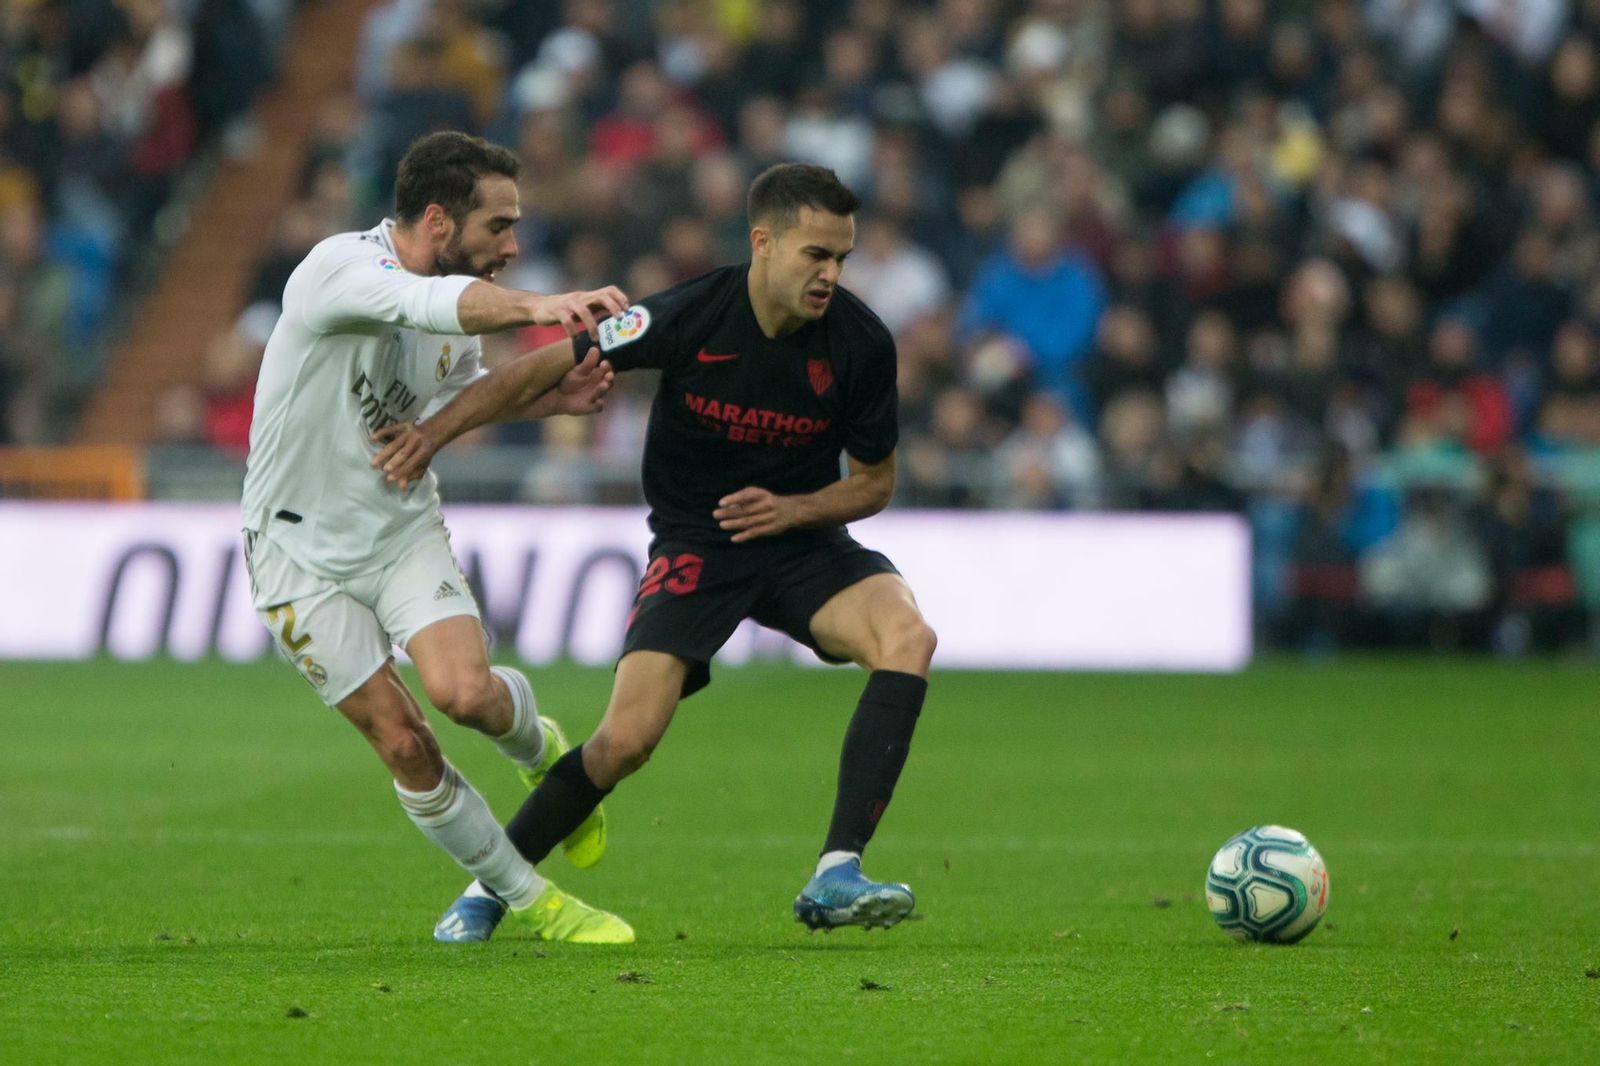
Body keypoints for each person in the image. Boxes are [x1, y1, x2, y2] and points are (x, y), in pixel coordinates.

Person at [374, 163, 938, 942]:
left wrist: (794, 508)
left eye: (842, 257)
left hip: (803, 540)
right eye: (816, 255)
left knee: (908, 637)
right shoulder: (691, 314)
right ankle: (489, 889)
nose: (831, 275)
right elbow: (549, 362)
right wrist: (435, 434)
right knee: (624, 742)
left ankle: (836, 870)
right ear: (763, 244)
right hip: (698, 547)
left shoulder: (862, 343)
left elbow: (875, 483)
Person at [241, 130, 638, 945]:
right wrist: (539, 306)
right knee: (404, 741)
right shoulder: (336, 271)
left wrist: (546, 402)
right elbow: (419, 304)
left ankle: (541, 747)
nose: (513, 245)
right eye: (499, 226)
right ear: (437, 220)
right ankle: (532, 899)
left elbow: (454, 402)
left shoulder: (458, 316)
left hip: (399, 527)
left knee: (465, 695)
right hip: (296, 554)